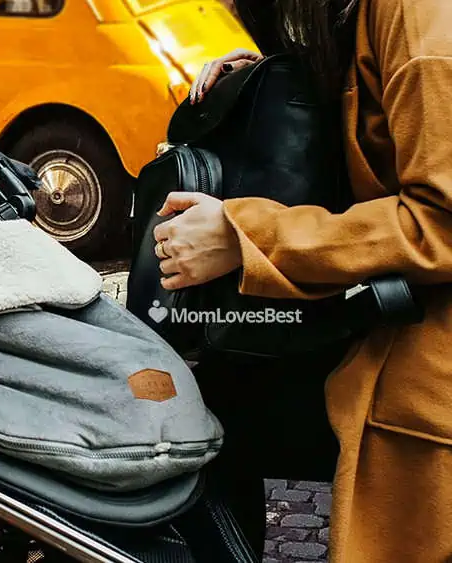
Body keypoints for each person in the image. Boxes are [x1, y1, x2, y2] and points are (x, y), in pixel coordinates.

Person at [153, 0, 452, 561]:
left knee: (205, 426)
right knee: (211, 405)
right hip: (393, 315)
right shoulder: (364, 17)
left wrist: (248, 237)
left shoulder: (421, 18)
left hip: (425, 357)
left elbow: (442, 219)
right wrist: (269, 76)